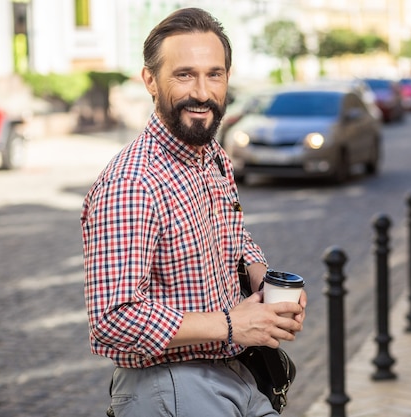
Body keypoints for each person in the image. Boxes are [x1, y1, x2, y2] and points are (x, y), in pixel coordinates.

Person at [81, 8, 307, 416]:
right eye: (184, 74)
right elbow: (113, 319)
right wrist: (232, 325)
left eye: (214, 74)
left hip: (235, 370)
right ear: (150, 80)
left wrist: (264, 279)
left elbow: (234, 236)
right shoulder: (133, 183)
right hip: (169, 383)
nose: (202, 92)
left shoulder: (211, 155)